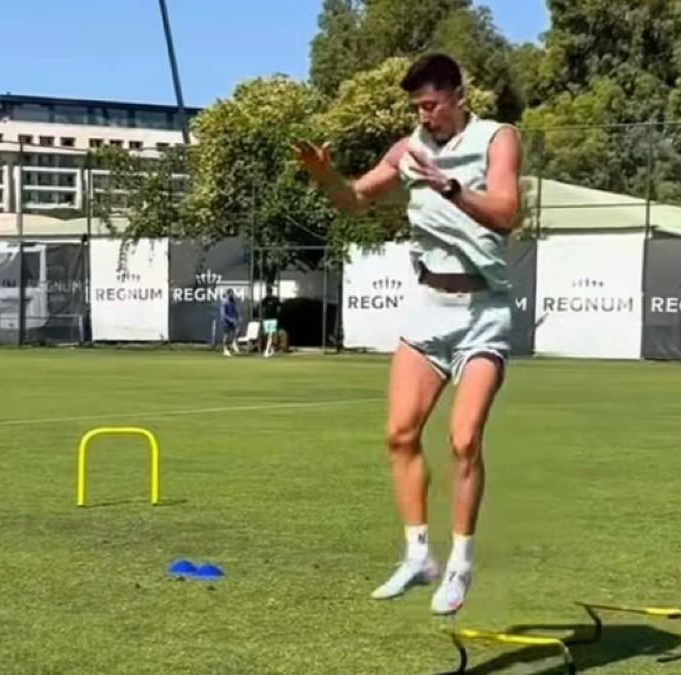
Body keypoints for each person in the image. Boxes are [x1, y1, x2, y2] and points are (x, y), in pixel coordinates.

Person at [294, 53, 523, 615]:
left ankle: (461, 563)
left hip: (483, 313)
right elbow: (353, 199)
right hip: (428, 309)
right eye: (417, 108)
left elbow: (506, 212)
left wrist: (448, 186)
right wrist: (325, 175)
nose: (425, 117)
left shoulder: (498, 139)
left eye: (432, 105)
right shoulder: (406, 149)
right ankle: (418, 555)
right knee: (399, 434)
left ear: (457, 95)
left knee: (464, 439)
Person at [260, 288, 281, 357]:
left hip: (273, 320)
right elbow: (262, 307)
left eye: (269, 292)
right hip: (266, 319)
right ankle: (272, 350)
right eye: (267, 292)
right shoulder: (265, 299)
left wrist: (277, 317)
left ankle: (267, 351)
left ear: (271, 292)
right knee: (267, 335)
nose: (268, 294)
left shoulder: (275, 299)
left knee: (270, 335)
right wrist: (263, 318)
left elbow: (279, 308)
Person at [220, 289, 241, 357]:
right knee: (226, 335)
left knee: (238, 330)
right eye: (231, 294)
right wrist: (230, 319)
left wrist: (238, 317)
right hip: (226, 321)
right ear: (228, 294)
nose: (232, 295)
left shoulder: (233, 302)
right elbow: (223, 314)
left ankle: (233, 342)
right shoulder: (224, 302)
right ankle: (225, 350)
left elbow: (236, 311)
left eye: (233, 293)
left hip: (233, 320)